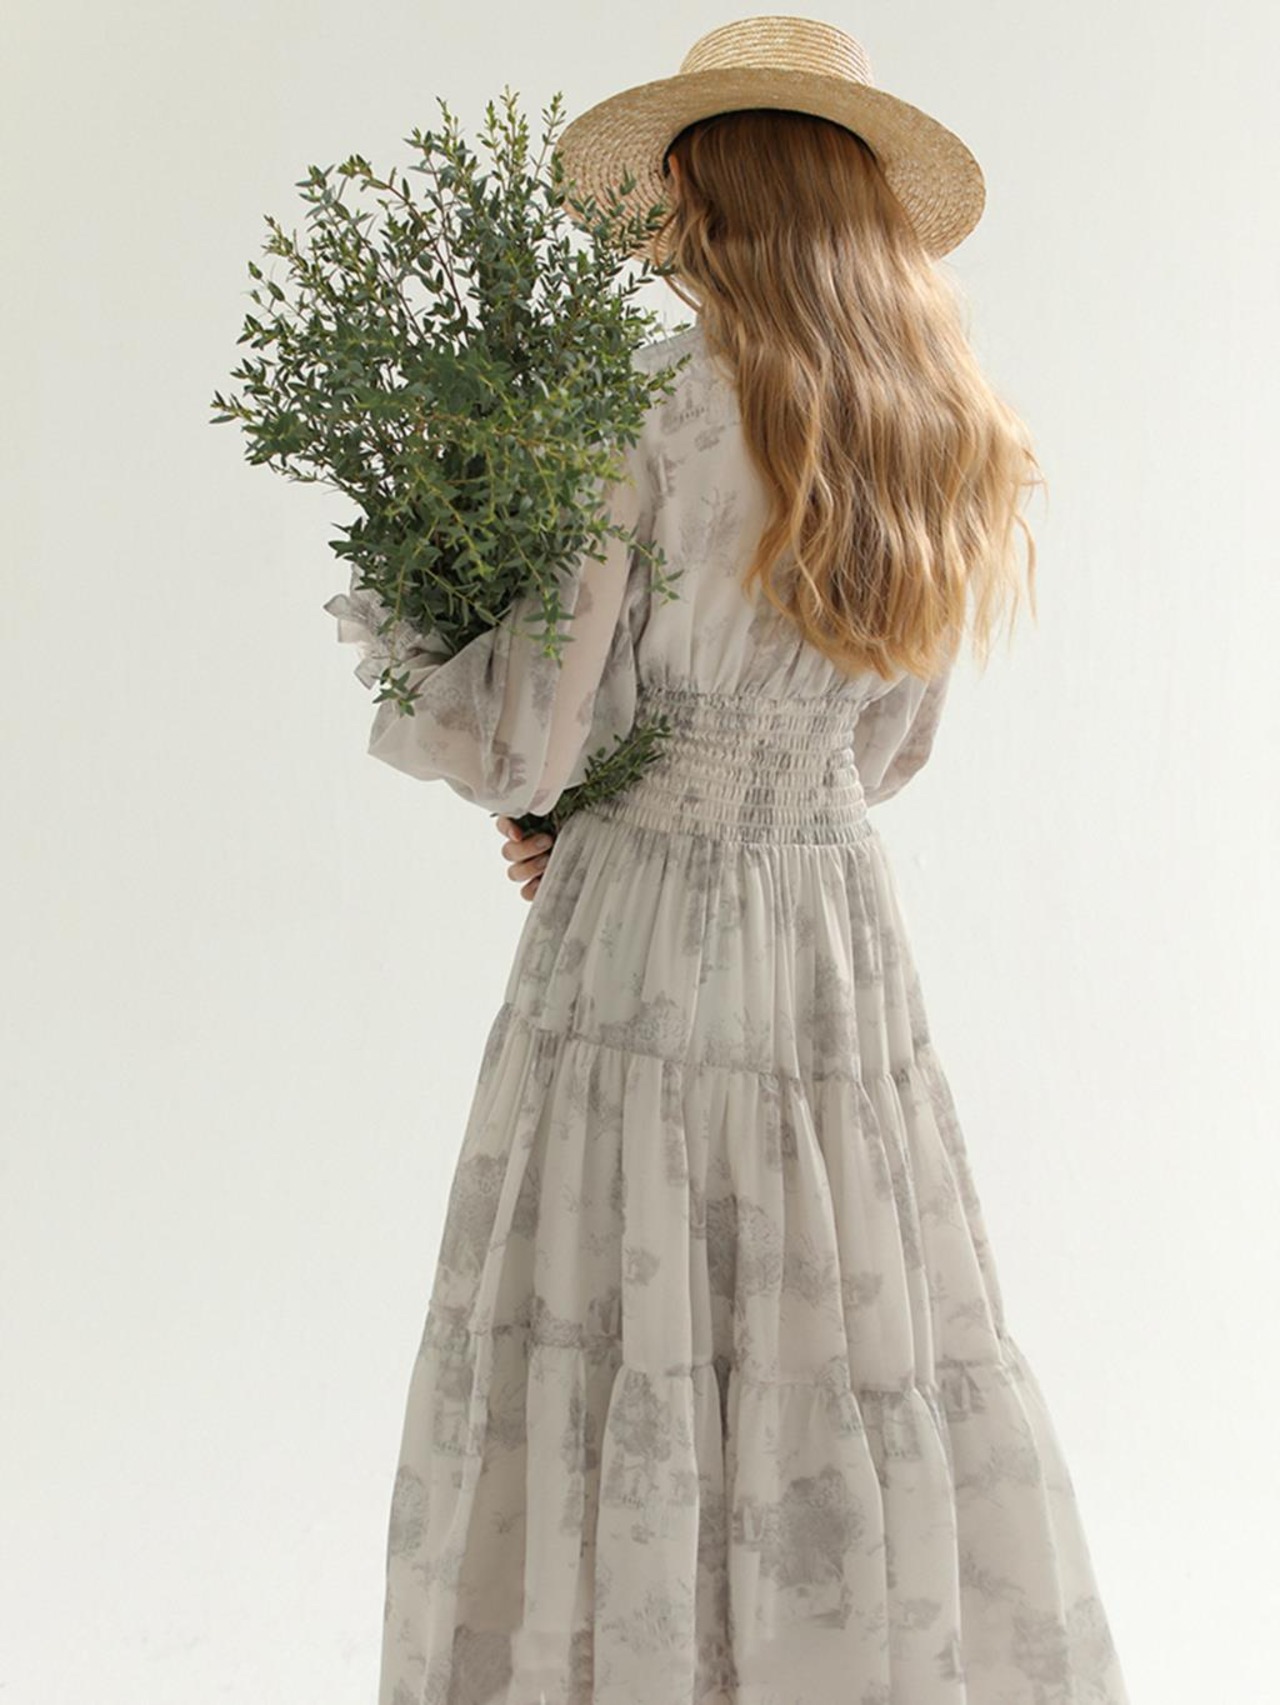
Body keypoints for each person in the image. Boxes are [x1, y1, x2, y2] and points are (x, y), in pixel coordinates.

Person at [324, 17, 1131, 1705]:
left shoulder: (650, 408)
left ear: (717, 186)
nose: (666, 211)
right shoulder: (937, 429)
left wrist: (454, 685)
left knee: (615, 1314)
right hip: (832, 929)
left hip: (639, 934)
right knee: (840, 1311)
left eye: (680, 177)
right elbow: (888, 753)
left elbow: (534, 734)